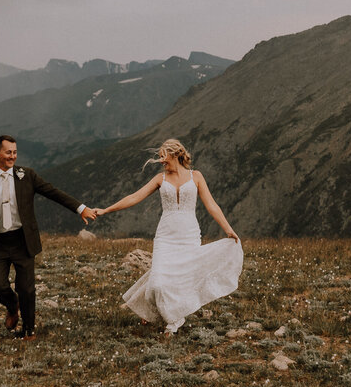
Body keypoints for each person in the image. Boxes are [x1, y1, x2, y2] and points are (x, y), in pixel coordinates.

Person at [93, 138, 242, 335]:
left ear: (176, 154)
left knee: (182, 279)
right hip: (165, 236)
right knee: (157, 283)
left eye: (164, 156)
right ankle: (165, 313)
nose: (161, 160)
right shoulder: (160, 179)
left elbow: (211, 205)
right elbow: (134, 197)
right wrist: (106, 210)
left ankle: (173, 320)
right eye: (160, 157)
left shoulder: (196, 176)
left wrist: (228, 229)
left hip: (189, 235)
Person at [0, 134, 96, 339]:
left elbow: (53, 192)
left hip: (23, 240)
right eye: (8, 152)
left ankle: (29, 330)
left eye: (14, 152)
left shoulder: (27, 175)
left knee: (27, 289)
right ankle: (13, 305)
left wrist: (80, 208)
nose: (12, 157)